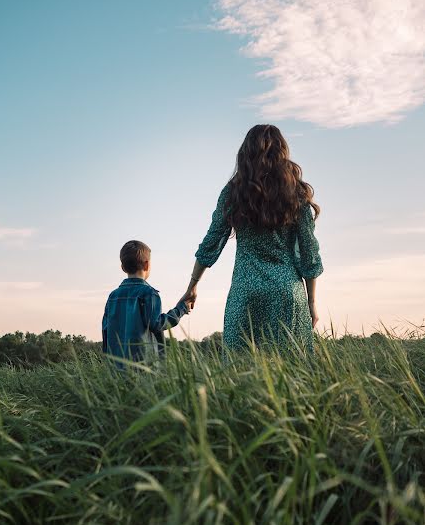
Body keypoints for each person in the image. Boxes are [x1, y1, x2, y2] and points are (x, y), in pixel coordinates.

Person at [181, 124, 323, 352]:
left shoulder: (233, 192)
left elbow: (211, 242)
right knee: (294, 376)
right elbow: (309, 253)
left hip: (246, 293)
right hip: (288, 293)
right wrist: (311, 302)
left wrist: (192, 286)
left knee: (241, 372)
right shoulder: (296, 192)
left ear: (245, 154)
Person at [102, 240, 190, 364]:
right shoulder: (149, 293)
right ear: (147, 265)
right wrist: (181, 309)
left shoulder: (113, 296)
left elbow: (105, 330)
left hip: (116, 368)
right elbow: (158, 324)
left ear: (122, 267)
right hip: (145, 366)